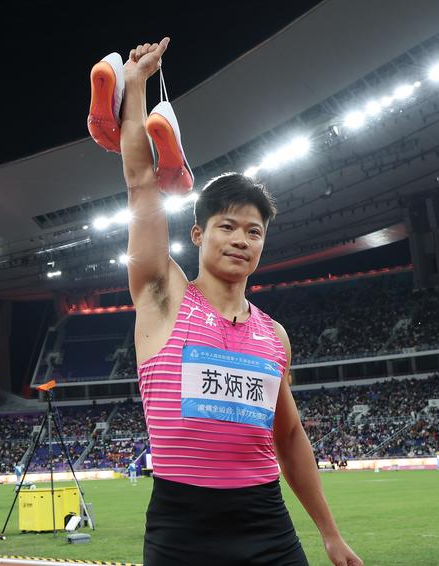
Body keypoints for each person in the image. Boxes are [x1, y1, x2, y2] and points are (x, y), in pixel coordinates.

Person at [109, 38, 362, 566]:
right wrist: (134, 86)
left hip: (266, 525)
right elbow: (139, 185)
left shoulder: (274, 336)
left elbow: (289, 436)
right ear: (198, 234)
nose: (241, 240)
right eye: (227, 226)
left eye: (254, 231)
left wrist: (330, 534)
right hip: (182, 531)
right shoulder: (163, 296)